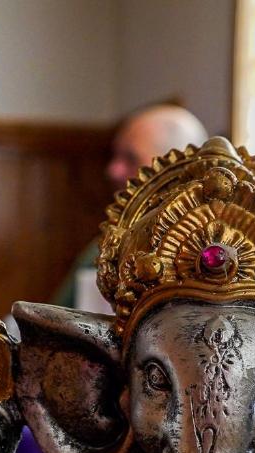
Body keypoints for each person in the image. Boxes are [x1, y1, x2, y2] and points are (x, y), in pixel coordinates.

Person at [52, 104, 208, 310]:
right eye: (115, 156)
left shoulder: (212, 253)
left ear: (176, 172)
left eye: (130, 158)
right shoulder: (102, 249)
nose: (113, 170)